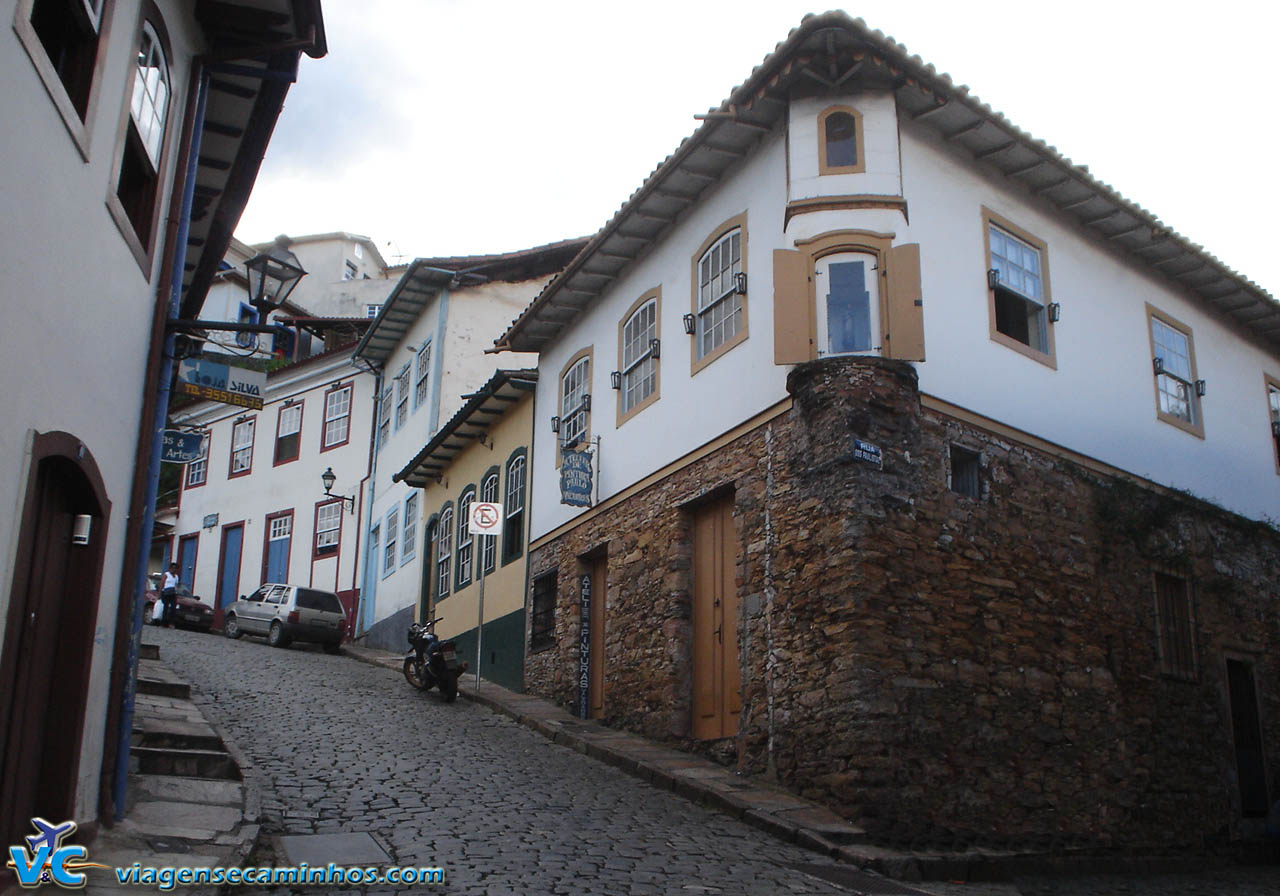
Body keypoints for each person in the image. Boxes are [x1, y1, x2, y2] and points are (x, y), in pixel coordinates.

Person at [159, 563, 180, 628]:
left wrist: (176, 594)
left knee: (173, 608)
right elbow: (162, 584)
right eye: (172, 568)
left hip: (173, 593)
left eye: (175, 568)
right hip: (166, 593)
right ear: (170, 568)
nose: (173, 569)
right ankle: (163, 623)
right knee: (165, 608)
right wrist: (159, 594)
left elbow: (176, 586)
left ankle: (171, 623)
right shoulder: (166, 575)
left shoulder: (176, 577)